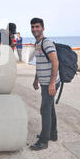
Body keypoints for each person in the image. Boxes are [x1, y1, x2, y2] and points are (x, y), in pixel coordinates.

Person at [29, 18, 60, 151]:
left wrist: (52, 83)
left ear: (43, 28)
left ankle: (44, 140)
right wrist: (36, 79)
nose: (34, 29)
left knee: (44, 109)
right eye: (32, 27)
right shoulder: (38, 43)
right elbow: (40, 64)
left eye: (37, 26)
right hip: (44, 82)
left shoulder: (46, 43)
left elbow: (55, 62)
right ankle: (53, 134)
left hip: (50, 83)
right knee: (50, 107)